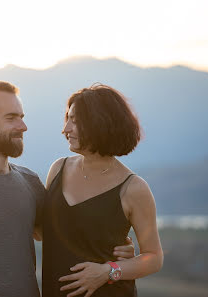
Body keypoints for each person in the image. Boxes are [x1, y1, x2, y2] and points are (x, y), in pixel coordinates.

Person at [0, 81, 135, 297]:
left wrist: (114, 250)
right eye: (11, 118)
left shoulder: (30, 181)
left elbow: (62, 235)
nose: (22, 126)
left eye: (22, 117)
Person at [42, 84, 163, 297]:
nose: (66, 129)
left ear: (101, 123)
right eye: (67, 119)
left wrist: (109, 271)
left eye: (76, 121)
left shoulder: (133, 188)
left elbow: (153, 258)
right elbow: (42, 230)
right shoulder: (57, 169)